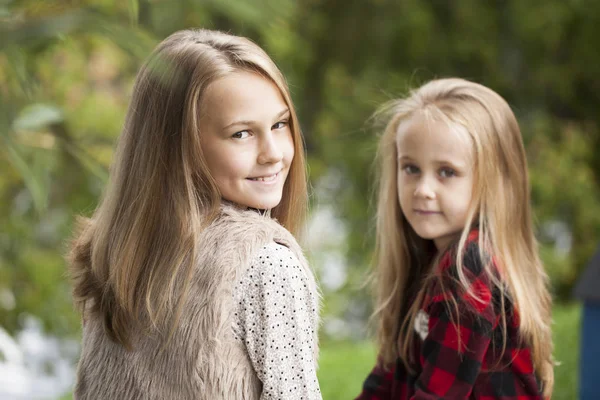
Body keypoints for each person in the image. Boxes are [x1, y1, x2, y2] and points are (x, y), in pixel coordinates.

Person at [68, 29, 321, 400]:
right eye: (241, 134)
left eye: (280, 124)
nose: (274, 152)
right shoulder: (266, 265)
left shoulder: (114, 250)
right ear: (180, 148)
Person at [355, 78, 554, 399]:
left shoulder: (469, 270)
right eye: (411, 168)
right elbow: (389, 375)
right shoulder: (426, 257)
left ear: (494, 181)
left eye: (446, 171)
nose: (423, 189)